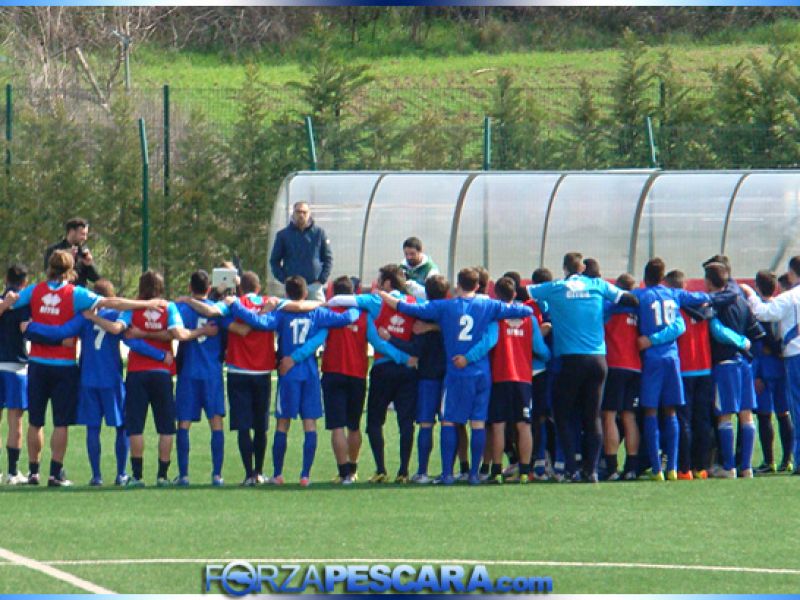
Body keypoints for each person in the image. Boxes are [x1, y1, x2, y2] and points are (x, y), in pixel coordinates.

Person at [3, 251, 167, 487]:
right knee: (61, 423)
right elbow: (111, 303)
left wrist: (32, 327)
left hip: (38, 365)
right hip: (65, 367)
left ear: (49, 267)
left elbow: (10, 303)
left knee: (35, 421)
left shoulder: (35, 290)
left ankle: (33, 472)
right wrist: (147, 303)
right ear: (71, 270)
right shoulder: (76, 294)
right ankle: (55, 473)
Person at [380, 267, 533, 485]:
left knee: (449, 422)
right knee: (478, 423)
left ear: (458, 285)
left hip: (456, 372)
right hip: (481, 373)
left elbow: (409, 308)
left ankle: (447, 475)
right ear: (478, 286)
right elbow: (524, 312)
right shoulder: (488, 305)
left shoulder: (446, 306)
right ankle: (473, 475)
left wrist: (384, 296)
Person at [228, 275, 360, 486]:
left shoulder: (282, 314)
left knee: (283, 423)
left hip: (288, 375)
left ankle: (278, 474)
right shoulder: (318, 312)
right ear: (305, 293)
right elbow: (348, 318)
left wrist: (235, 305)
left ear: (287, 294)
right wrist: (356, 304)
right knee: (310, 424)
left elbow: (259, 322)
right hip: (309, 374)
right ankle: (305, 475)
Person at [526, 252, 638, 483]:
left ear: (565, 268)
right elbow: (630, 300)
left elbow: (522, 292)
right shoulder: (598, 285)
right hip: (598, 360)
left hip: (570, 360)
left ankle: (571, 468)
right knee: (593, 416)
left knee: (562, 413)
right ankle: (592, 470)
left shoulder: (556, 287)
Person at [181, 271, 277, 486]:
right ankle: (259, 472)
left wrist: (188, 300)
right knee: (260, 426)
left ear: (240, 288)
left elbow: (214, 312)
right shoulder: (270, 303)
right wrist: (261, 315)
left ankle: (247, 474)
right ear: (259, 287)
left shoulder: (230, 305)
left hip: (237, 371)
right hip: (262, 372)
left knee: (242, 425)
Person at [328, 265, 420, 483]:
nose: (377, 285)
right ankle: (404, 472)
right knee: (406, 422)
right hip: (409, 370)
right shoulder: (414, 303)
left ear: (388, 283)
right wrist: (408, 356)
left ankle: (380, 470)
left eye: (380, 280)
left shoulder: (376, 301)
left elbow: (340, 301)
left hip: (383, 368)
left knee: (374, 423)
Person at [119, 270, 210, 487]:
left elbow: (128, 336)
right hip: (162, 372)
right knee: (166, 427)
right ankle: (162, 476)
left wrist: (144, 335)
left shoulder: (132, 308)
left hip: (137, 372)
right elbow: (178, 333)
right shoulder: (168, 308)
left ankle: (137, 476)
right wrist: (160, 353)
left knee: (136, 426)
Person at [632, 258, 710, 481]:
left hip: (652, 360)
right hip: (673, 360)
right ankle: (673, 468)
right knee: (671, 412)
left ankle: (657, 469)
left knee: (649, 411)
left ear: (645, 278)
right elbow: (701, 298)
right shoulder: (674, 294)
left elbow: (616, 302)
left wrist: (650, 340)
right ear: (663, 276)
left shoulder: (640, 296)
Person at [486, 277, 550, 484]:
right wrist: (548, 356)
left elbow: (489, 344)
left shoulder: (495, 317)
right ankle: (524, 471)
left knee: (498, 425)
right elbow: (540, 349)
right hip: (523, 378)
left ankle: (496, 471)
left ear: (496, 295)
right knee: (524, 425)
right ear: (515, 294)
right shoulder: (528, 318)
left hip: (500, 376)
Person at [742, 256, 800, 475]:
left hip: (790, 357)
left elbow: (763, 313)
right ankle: (788, 458)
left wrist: (750, 295)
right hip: (782, 362)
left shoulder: (789, 298)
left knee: (787, 410)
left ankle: (783, 459)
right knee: (785, 412)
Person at [705, 263, 761, 479]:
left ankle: (729, 467)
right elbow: (756, 330)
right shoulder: (741, 301)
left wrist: (738, 342)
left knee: (725, 416)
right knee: (746, 414)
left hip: (725, 363)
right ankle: (746, 467)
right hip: (745, 364)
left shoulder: (714, 304)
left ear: (709, 281)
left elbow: (717, 331)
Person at [174, 271, 226, 487]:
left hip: (189, 372)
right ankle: (216, 475)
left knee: (184, 424)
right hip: (212, 373)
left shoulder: (182, 309)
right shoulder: (219, 310)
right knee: (216, 423)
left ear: (189, 287)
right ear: (208, 288)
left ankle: (184, 475)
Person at [665, 269, 716, 479]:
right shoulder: (705, 308)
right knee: (702, 418)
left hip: (685, 369)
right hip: (705, 367)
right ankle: (701, 466)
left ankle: (684, 468)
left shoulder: (676, 309)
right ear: (684, 287)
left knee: (683, 419)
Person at [751, 270, 794, 473]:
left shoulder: (760, 311)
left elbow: (758, 345)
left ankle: (769, 462)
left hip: (766, 369)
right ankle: (788, 458)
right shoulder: (780, 306)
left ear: (757, 287)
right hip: (783, 366)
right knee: (784, 414)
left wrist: (757, 374)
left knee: (765, 415)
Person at [600, 273, 641, 481]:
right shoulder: (638, 308)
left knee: (608, 415)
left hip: (615, 365)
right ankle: (632, 467)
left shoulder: (608, 308)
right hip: (635, 366)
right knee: (629, 416)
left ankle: (612, 467)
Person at [0, 265, 30, 484]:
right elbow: (25, 329)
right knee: (15, 422)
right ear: (24, 283)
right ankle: (12, 472)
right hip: (16, 367)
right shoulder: (24, 304)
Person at [269, 202, 332, 302]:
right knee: (292, 315)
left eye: (304, 212)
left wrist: (321, 279)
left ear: (309, 214)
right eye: (298, 212)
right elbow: (274, 261)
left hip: (314, 286)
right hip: (293, 288)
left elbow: (328, 258)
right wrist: (285, 279)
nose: (301, 215)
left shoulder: (319, 233)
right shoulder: (283, 235)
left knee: (319, 314)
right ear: (293, 213)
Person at [44, 218, 99, 288]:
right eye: (82, 234)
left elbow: (96, 279)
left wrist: (89, 264)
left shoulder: (83, 251)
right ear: (72, 232)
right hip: (59, 293)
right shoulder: (53, 250)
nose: (85, 238)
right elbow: (48, 271)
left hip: (78, 295)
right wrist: (65, 258)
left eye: (86, 234)